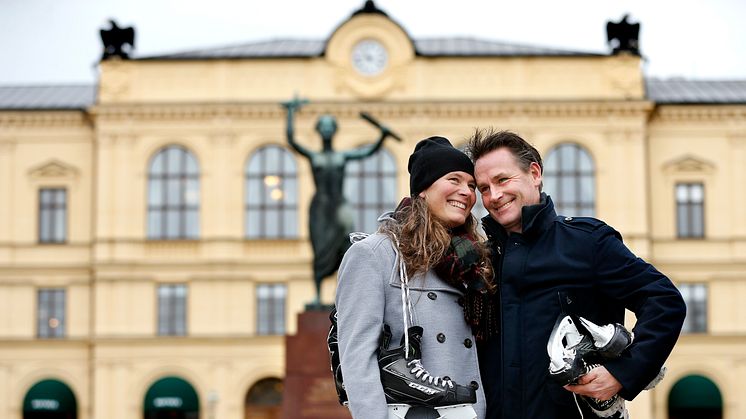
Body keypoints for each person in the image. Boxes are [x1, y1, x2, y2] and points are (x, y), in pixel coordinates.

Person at [466, 129, 686, 419]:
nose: (493, 196)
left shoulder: (587, 243)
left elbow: (664, 301)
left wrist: (623, 373)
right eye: (483, 188)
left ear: (534, 173)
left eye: (502, 180)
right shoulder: (479, 258)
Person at [336, 136, 498, 419]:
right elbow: (357, 357)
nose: (467, 192)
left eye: (472, 185)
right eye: (454, 180)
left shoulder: (474, 260)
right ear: (423, 189)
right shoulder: (375, 254)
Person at [282, 98, 398, 307]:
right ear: (319, 131)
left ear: (334, 131)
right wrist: (290, 113)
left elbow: (368, 151)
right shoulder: (313, 155)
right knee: (319, 250)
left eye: (330, 127)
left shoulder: (342, 156)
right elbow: (291, 140)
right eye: (323, 127)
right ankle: (317, 296)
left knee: (344, 246)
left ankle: (342, 292)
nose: (326, 130)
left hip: (339, 208)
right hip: (320, 210)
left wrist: (382, 137)